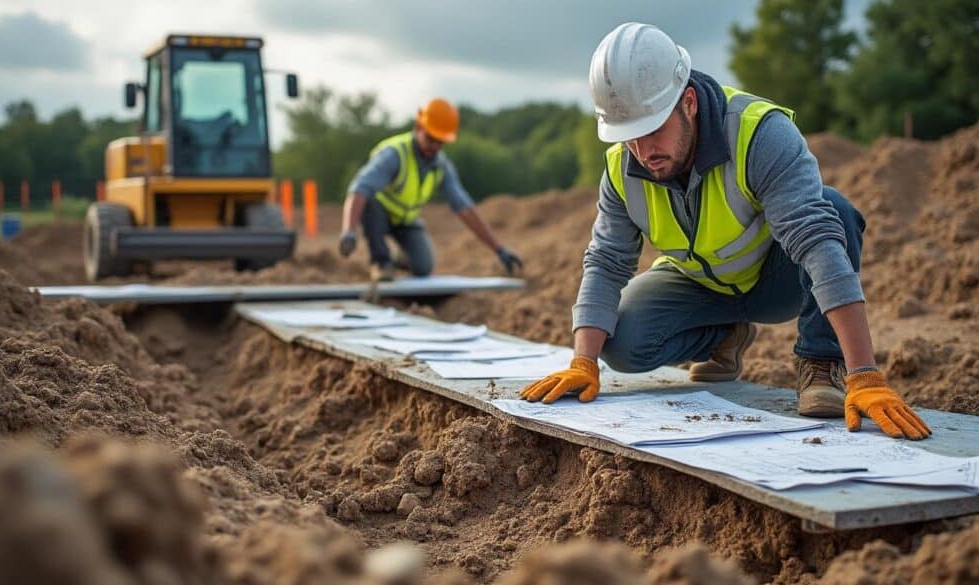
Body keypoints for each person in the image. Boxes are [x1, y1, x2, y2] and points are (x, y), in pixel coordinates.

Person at [520, 23, 930, 441]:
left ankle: (821, 362)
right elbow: (607, 261)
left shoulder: (758, 135)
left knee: (833, 211)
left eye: (653, 131)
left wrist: (865, 373)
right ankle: (724, 337)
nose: (644, 153)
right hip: (698, 285)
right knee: (620, 341)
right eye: (629, 139)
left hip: (776, 281)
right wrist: (582, 362)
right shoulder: (622, 170)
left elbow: (814, 240)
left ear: (690, 103)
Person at [338, 98, 523, 281]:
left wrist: (499, 249)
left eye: (440, 142)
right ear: (418, 127)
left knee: (424, 266)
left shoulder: (441, 167)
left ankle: (398, 260)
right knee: (370, 202)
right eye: (430, 139)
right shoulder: (394, 155)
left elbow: (465, 209)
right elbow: (359, 189)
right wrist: (349, 231)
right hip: (378, 216)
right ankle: (380, 262)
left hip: (406, 221)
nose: (434, 146)